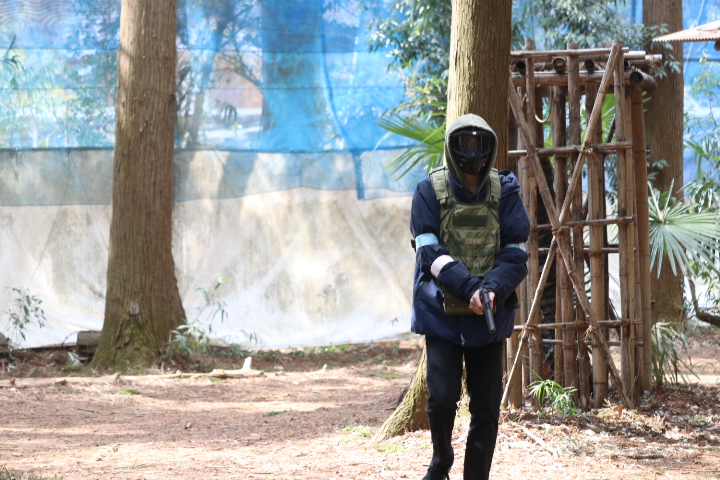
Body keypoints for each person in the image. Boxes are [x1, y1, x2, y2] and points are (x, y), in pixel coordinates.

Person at [410, 113, 530, 480]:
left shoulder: (505, 190)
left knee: (487, 407)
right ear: (452, 148)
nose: (473, 152)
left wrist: (491, 290)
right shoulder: (428, 191)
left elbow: (515, 253)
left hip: (488, 315)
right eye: (465, 143)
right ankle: (441, 460)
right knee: (442, 398)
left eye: (480, 143)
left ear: (491, 147)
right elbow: (429, 252)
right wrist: (468, 288)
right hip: (442, 312)